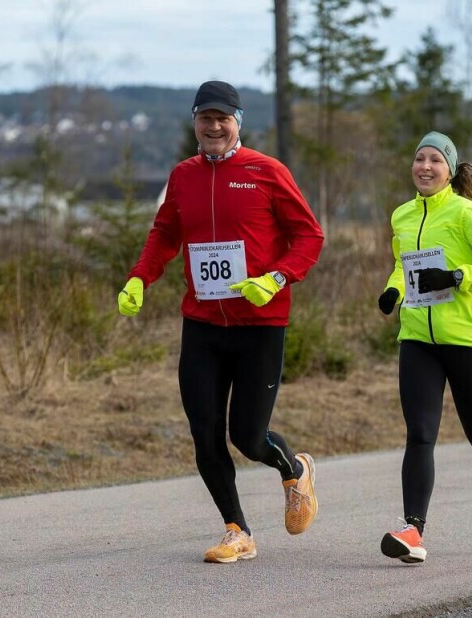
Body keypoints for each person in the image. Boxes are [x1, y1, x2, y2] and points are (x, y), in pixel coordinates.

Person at [117, 80, 324, 564]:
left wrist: (275, 278)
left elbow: (309, 237)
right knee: (204, 431)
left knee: (248, 436)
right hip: (203, 325)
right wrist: (138, 279)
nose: (214, 126)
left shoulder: (266, 171)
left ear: (237, 124)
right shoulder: (183, 176)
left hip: (260, 325)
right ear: (194, 123)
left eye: (222, 119)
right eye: (205, 118)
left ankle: (294, 469)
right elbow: (165, 233)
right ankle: (237, 531)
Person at [376, 131, 472, 564]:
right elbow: (404, 268)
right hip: (417, 338)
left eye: (435, 160)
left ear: (451, 170)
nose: (424, 166)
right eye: (419, 158)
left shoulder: (467, 214)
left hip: (468, 340)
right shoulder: (402, 215)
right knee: (420, 434)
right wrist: (392, 290)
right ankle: (412, 530)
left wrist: (456, 277)